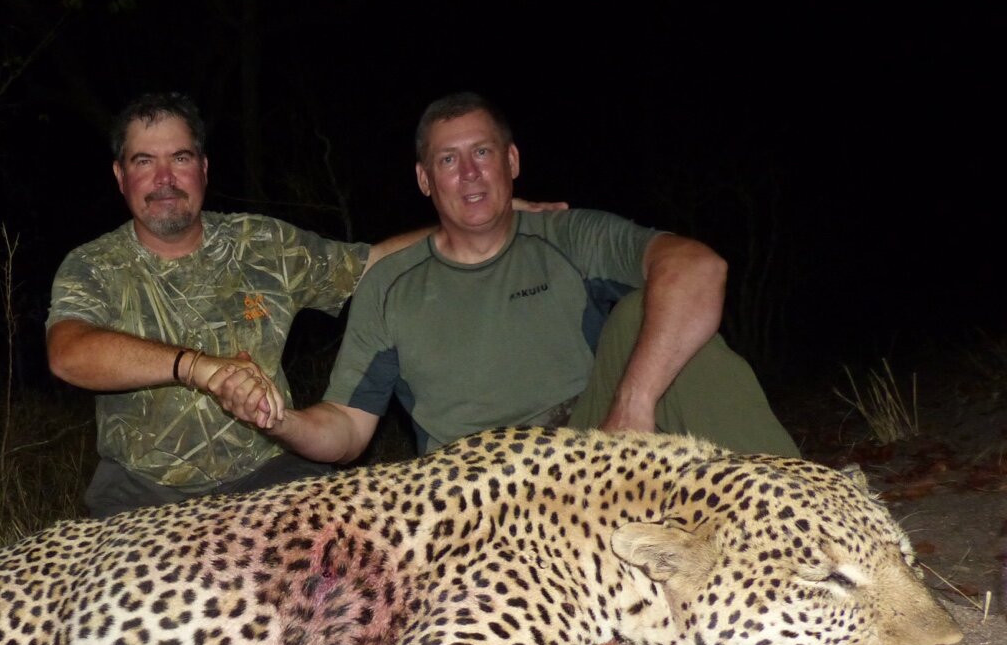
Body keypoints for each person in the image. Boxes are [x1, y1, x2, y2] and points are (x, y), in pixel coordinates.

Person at [47, 91, 559, 518]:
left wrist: (482, 218)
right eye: (144, 161)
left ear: (202, 168)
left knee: (349, 576)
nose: (165, 178)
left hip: (270, 472)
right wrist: (196, 368)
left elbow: (370, 262)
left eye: (179, 158)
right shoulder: (94, 264)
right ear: (120, 176)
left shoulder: (262, 243)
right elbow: (68, 352)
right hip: (142, 488)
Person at [215, 91, 799, 463]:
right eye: (449, 160)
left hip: (590, 448)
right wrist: (282, 420)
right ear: (425, 180)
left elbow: (701, 268)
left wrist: (633, 404)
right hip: (475, 489)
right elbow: (345, 427)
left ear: (512, 162)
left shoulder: (569, 237)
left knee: (654, 317)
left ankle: (801, 516)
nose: (469, 173)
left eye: (483, 153)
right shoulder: (390, 285)